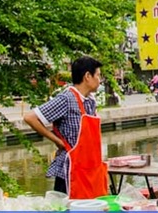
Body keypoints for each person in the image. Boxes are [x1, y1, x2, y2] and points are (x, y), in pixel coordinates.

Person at [24, 56, 109, 198]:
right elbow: (30, 117)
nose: (99, 80)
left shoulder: (90, 101)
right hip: (70, 173)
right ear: (87, 76)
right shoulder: (66, 99)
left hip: (89, 171)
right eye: (98, 75)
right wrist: (57, 141)